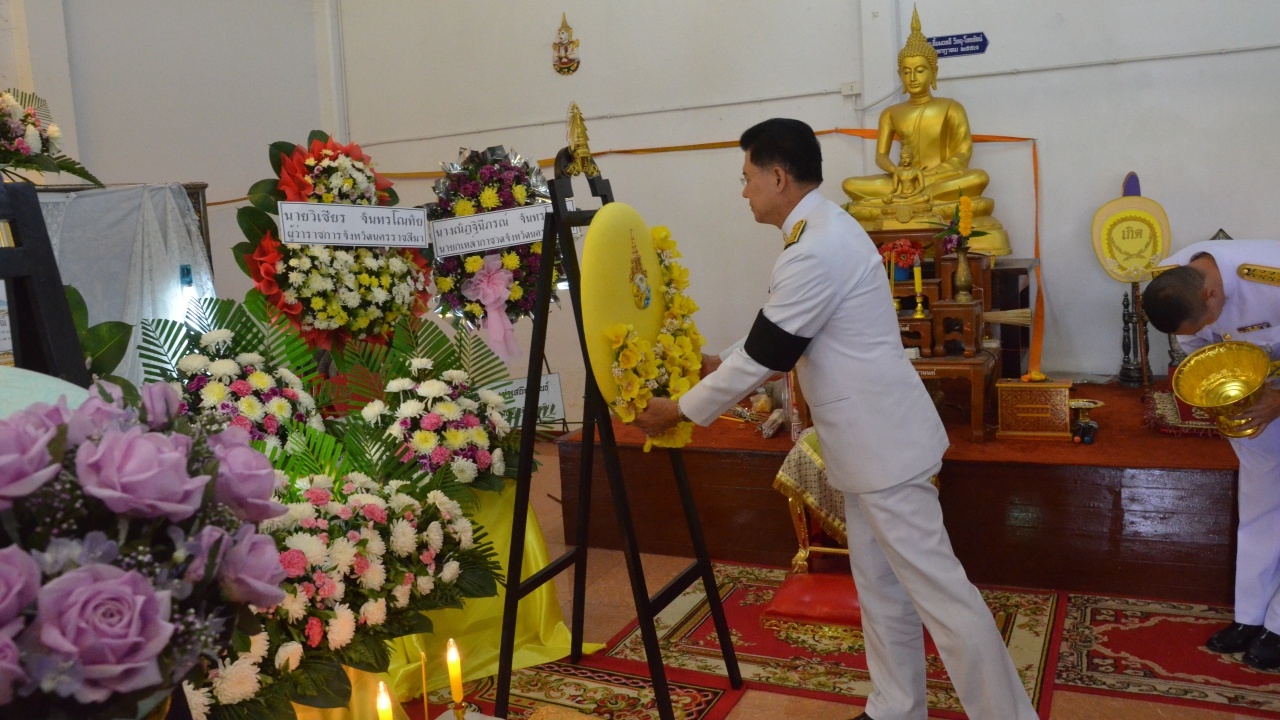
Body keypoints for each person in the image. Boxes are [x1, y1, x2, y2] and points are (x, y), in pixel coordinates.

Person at [632, 118, 1036, 720]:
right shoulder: (816, 232)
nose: (743, 192)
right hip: (868, 444)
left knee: (943, 598)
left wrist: (683, 410)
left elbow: (773, 350)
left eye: (746, 179)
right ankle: (894, 707)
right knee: (880, 589)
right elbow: (780, 337)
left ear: (777, 175)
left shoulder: (816, 245)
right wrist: (719, 361)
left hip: (885, 446)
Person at [1144, 239, 1280, 670]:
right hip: (1253, 394)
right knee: (1260, 504)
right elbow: (1196, 351)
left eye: (1203, 321)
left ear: (1211, 293)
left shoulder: (1269, 274)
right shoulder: (1171, 281)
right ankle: (1250, 618)